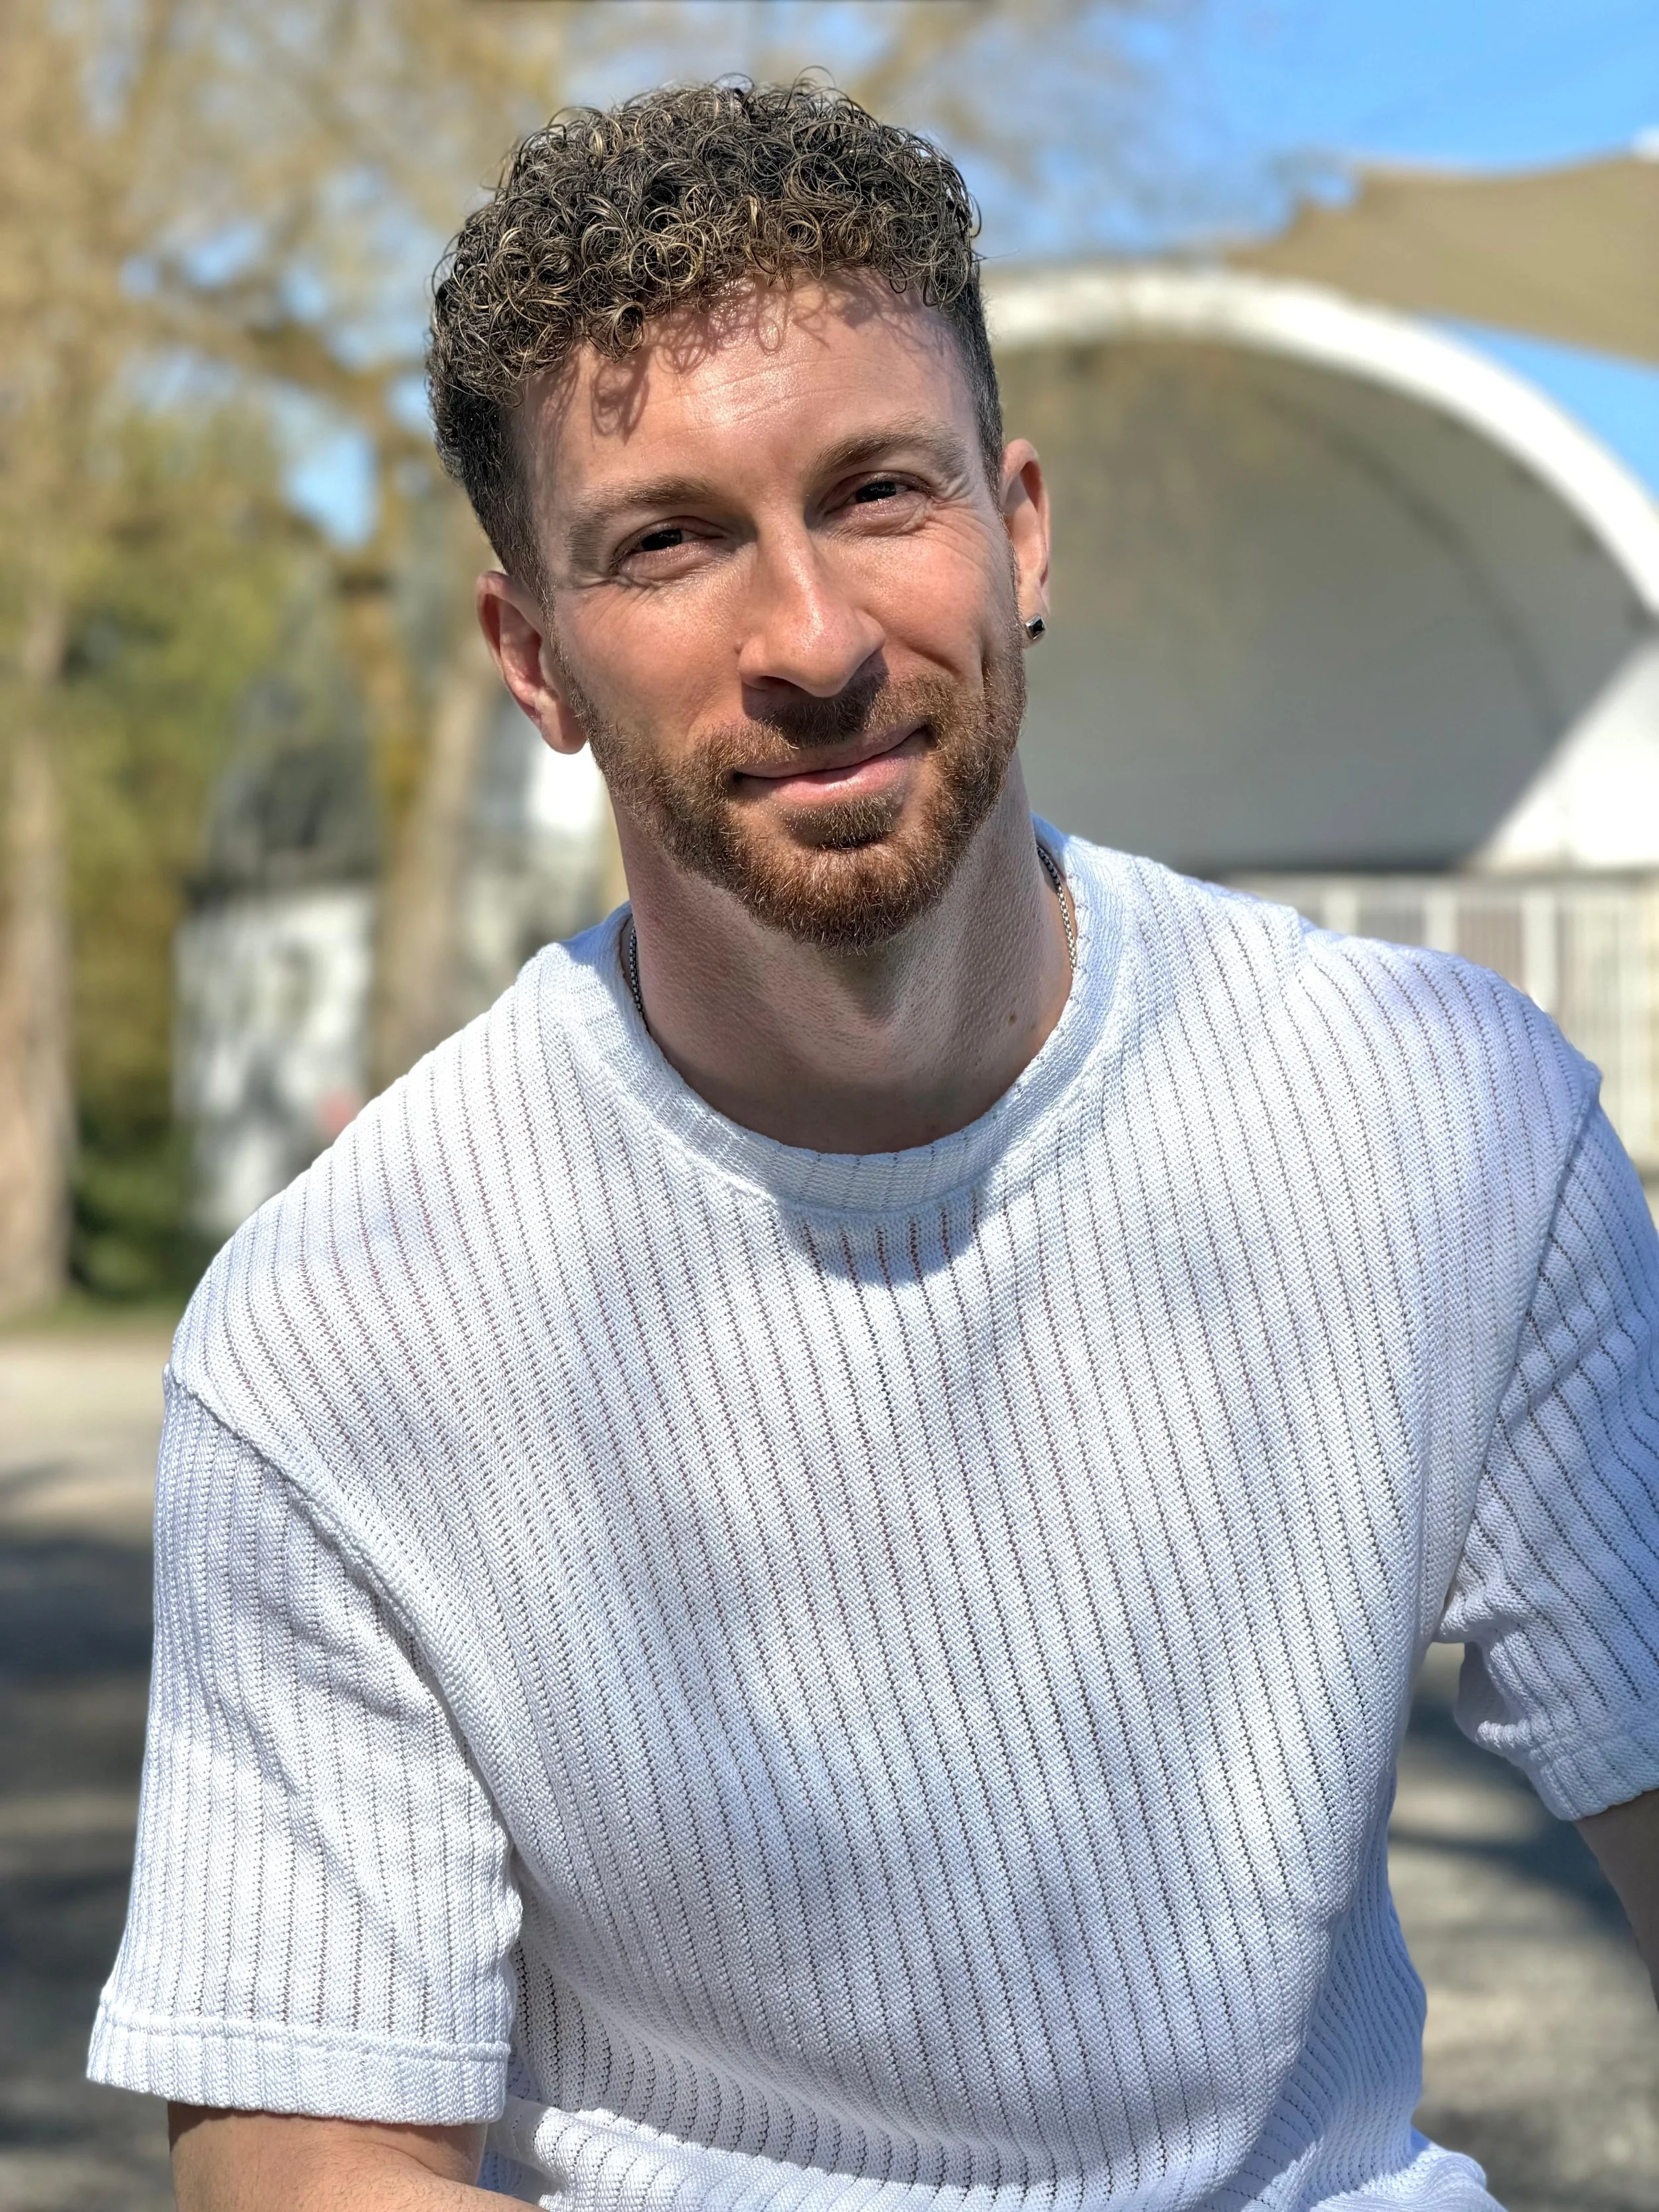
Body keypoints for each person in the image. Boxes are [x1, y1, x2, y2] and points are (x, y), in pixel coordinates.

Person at [91, 80, 1659, 2212]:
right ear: (532, 655)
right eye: (669, 539)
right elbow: (302, 2149)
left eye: (876, 493)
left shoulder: (1442, 1127)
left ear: (1016, 527)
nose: (815, 641)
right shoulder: (338, 1331)